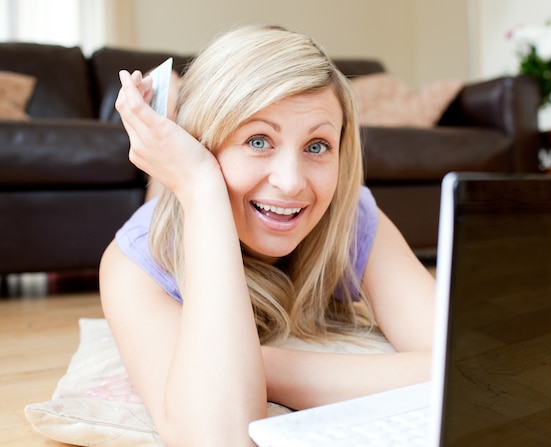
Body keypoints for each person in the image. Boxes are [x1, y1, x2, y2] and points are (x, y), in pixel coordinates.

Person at [97, 24, 435, 447]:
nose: (292, 183)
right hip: (177, 213)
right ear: (200, 145)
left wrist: (260, 366)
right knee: (166, 198)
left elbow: (462, 360)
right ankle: (172, 152)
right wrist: (201, 187)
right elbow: (219, 437)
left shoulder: (348, 214)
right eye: (258, 140)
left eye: (317, 146)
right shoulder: (134, 261)